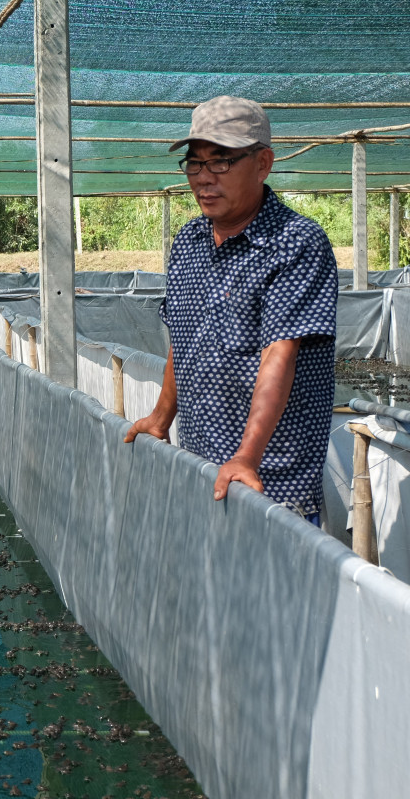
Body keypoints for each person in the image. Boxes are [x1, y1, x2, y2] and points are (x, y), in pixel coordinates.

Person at [124, 95, 338, 523]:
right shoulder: (189, 241)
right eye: (195, 164)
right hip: (200, 461)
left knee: (272, 588)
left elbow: (280, 354)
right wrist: (161, 417)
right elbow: (184, 338)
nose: (204, 178)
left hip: (270, 476)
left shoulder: (295, 243)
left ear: (263, 164)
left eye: (221, 162)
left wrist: (246, 458)